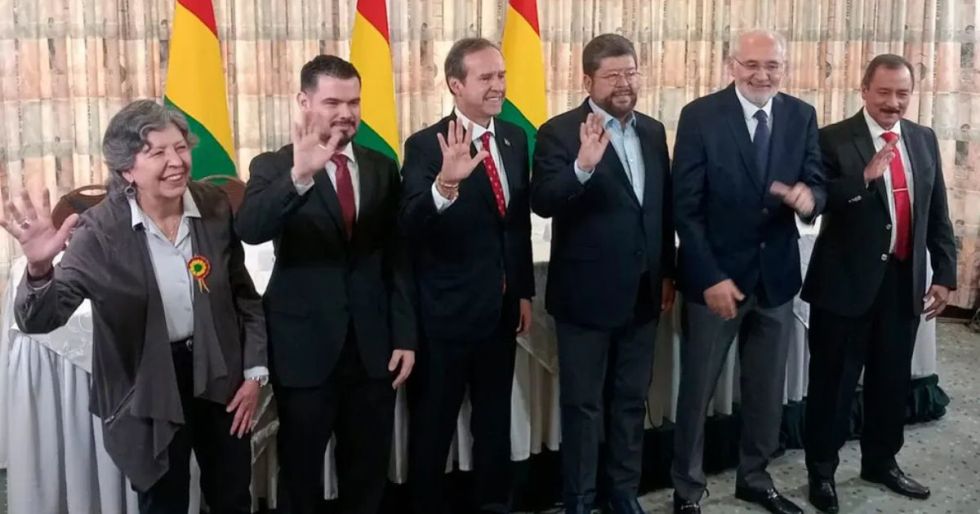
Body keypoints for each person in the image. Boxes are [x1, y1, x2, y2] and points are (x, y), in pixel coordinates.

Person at [2, 100, 267, 514]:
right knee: (163, 500)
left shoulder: (213, 206)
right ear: (127, 170)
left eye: (180, 148)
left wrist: (253, 373)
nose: (176, 162)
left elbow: (243, 295)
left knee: (232, 494)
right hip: (147, 382)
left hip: (220, 375)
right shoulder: (100, 230)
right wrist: (38, 269)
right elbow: (41, 319)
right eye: (157, 152)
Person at [235, 55, 416, 514]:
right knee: (301, 475)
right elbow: (250, 228)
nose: (346, 113)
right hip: (305, 349)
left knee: (367, 473)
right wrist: (299, 177)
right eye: (333, 102)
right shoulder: (274, 165)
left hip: (372, 349)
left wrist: (405, 335)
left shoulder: (380, 166)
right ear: (304, 101)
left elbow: (396, 257)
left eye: (354, 103)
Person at [670, 29, 827, 514]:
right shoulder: (700, 116)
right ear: (731, 65)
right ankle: (687, 490)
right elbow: (685, 209)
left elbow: (817, 182)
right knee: (697, 391)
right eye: (752, 65)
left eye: (772, 65)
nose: (763, 75)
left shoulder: (801, 115)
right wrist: (710, 276)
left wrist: (809, 199)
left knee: (765, 391)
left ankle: (755, 478)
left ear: (785, 67)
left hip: (775, 279)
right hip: (715, 283)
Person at [801, 54, 957, 513]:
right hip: (844, 287)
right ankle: (821, 471)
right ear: (864, 90)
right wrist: (863, 178)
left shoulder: (923, 138)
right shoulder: (831, 138)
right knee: (832, 386)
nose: (893, 103)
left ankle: (881, 461)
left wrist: (945, 275)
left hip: (902, 284)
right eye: (884, 92)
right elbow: (817, 201)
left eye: (902, 94)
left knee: (891, 381)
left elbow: (937, 211)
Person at [530, 33, 675, 514]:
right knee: (584, 406)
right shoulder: (558, 131)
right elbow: (543, 200)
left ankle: (623, 494)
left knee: (631, 401)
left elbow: (661, 210)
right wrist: (581, 167)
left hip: (643, 293)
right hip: (585, 298)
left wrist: (667, 273)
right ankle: (579, 499)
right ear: (587, 80)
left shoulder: (653, 131)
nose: (624, 83)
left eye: (631, 72)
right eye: (612, 75)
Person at [400, 37, 534, 514]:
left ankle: (493, 504)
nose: (498, 86)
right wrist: (446, 184)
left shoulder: (515, 138)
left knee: (493, 425)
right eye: (486, 78)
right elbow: (409, 225)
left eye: (501, 75)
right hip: (444, 317)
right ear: (455, 85)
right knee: (433, 430)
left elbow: (515, 225)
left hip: (500, 313)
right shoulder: (426, 145)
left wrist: (522, 292)